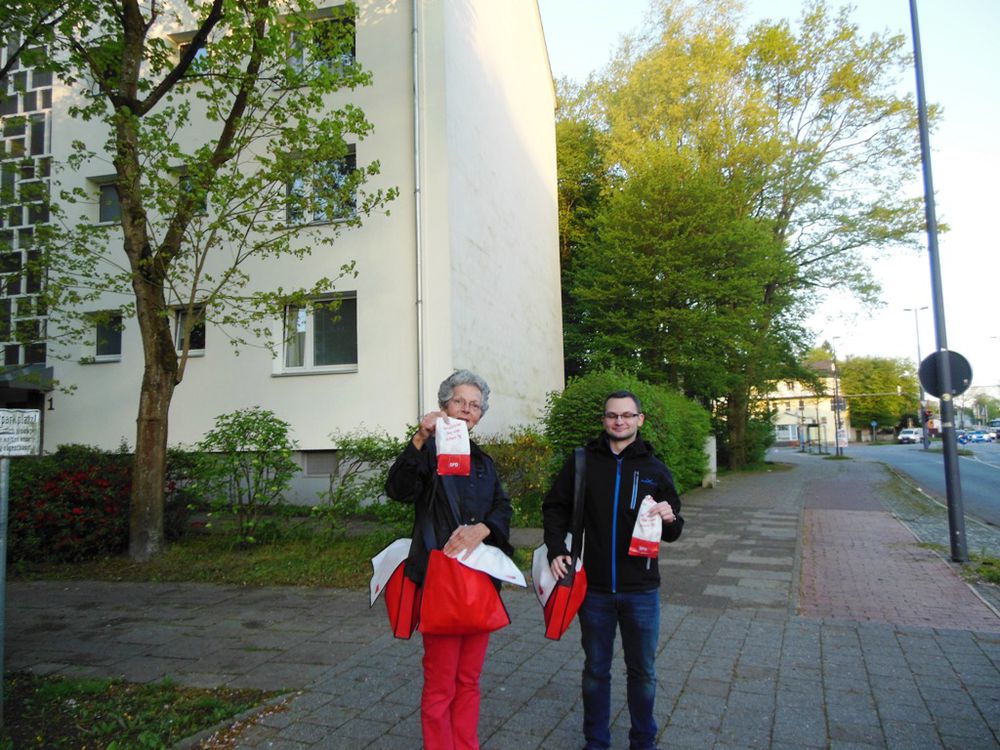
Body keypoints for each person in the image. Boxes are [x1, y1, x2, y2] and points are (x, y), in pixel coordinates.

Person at [543, 390, 684, 750]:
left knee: (643, 672)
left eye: (626, 415)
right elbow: (555, 507)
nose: (619, 421)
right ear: (604, 420)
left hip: (642, 590)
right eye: (612, 415)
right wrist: (556, 549)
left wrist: (670, 518)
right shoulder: (582, 462)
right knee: (596, 670)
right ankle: (596, 741)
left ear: (640, 420)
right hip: (594, 588)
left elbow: (673, 530)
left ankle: (643, 740)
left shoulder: (655, 468)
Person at [385, 369, 514, 750]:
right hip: (440, 581)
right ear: (444, 406)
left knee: (469, 680)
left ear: (479, 416)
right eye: (460, 401)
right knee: (441, 684)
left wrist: (483, 529)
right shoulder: (427, 452)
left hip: (478, 582)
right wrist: (420, 438)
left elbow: (502, 507)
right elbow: (398, 490)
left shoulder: (483, 462)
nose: (467, 409)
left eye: (475, 405)